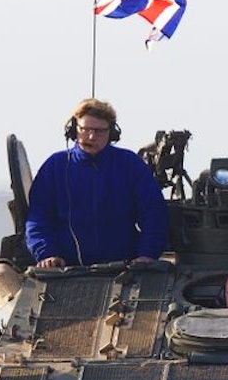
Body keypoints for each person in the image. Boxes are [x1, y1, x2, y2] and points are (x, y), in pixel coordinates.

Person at [25, 98, 168, 268]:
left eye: (100, 131)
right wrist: (47, 253)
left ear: (112, 133)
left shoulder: (130, 164)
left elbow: (153, 212)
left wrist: (147, 254)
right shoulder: (55, 167)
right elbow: (38, 217)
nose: (91, 137)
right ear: (74, 129)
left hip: (125, 269)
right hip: (66, 270)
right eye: (85, 129)